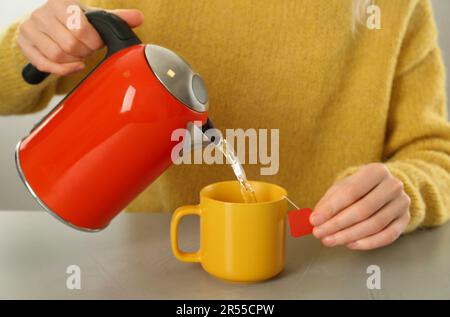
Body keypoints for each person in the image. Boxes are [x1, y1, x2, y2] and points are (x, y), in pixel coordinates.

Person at [0, 0, 449, 250]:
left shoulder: (394, 7)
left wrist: (405, 191)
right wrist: (34, 45)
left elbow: (434, 154)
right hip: (140, 265)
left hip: (329, 262)